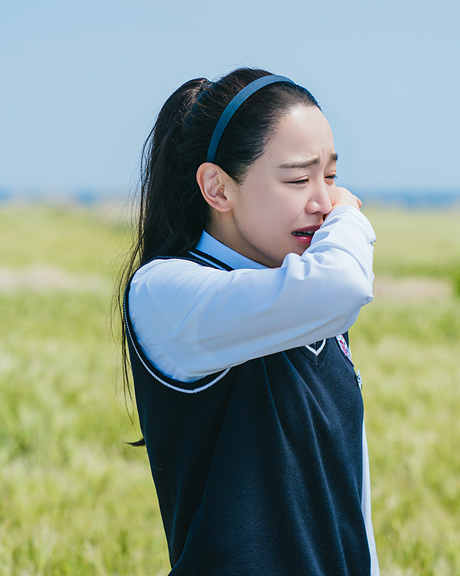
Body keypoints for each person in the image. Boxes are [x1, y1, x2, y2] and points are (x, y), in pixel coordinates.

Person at [117, 67, 379, 575]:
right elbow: (343, 282)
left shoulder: (310, 308)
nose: (323, 202)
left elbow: (351, 500)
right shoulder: (165, 292)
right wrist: (352, 217)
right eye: (299, 178)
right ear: (217, 188)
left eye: (331, 177)